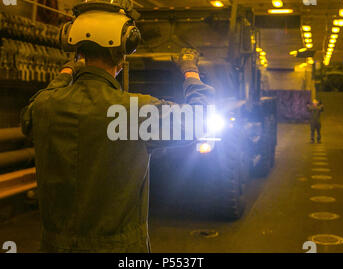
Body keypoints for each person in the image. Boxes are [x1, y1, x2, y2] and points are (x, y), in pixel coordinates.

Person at [20, 0, 215, 253]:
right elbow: (200, 119)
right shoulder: (133, 113)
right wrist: (190, 72)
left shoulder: (45, 106)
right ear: (122, 54)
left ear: (76, 50)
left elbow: (32, 112)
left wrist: (67, 70)